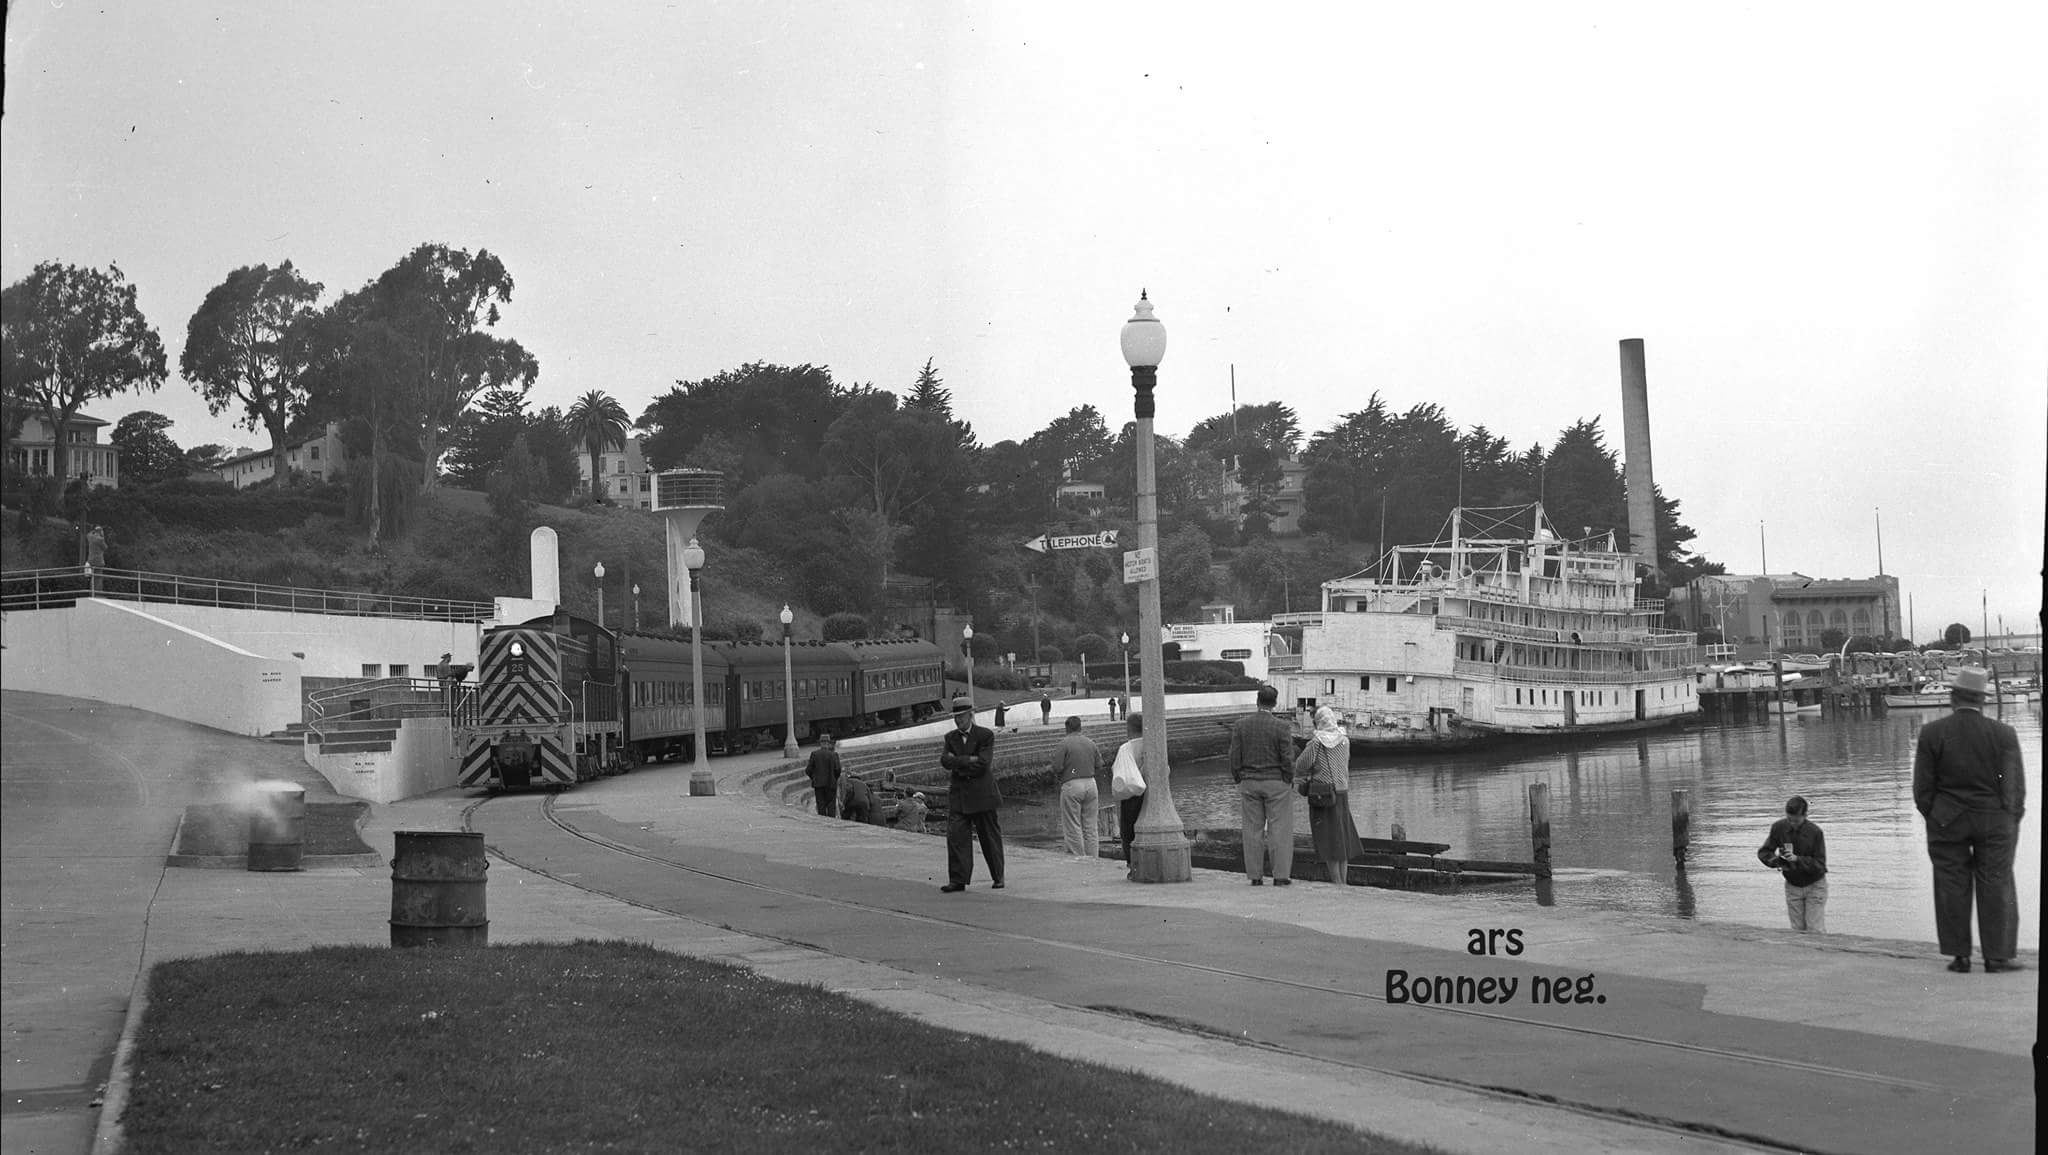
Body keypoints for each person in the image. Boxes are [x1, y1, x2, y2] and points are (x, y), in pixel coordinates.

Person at [1913, 667, 2027, 973]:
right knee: (1996, 883)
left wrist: (1936, 815)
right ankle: (1997, 957)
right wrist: (2010, 820)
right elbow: (2014, 789)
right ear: (1982, 700)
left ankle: (1959, 956)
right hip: (1994, 820)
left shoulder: (1932, 733)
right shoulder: (2004, 734)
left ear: (1953, 697)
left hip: (1947, 820)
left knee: (1950, 884)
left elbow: (1922, 789)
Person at [1229, 685, 1296, 886]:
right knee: (1279, 829)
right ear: (1274, 703)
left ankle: (1255, 876)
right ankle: (1281, 876)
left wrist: (1238, 777)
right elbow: (1287, 757)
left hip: (1250, 782)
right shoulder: (1282, 727)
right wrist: (1289, 777)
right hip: (1276, 783)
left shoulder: (1241, 725)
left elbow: (1234, 756)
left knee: (1252, 830)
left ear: (1257, 701)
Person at [939, 695, 1003, 891]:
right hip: (959, 795)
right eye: (956, 717)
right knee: (956, 838)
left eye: (961, 716)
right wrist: (969, 759)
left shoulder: (985, 735)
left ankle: (998, 877)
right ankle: (958, 880)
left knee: (989, 838)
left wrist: (958, 761)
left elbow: (983, 763)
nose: (958, 720)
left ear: (970, 715)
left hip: (982, 794)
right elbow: (945, 761)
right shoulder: (950, 738)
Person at [1293, 705, 1364, 884]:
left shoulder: (1317, 742)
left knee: (1329, 839)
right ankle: (1343, 881)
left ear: (1318, 722)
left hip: (1323, 795)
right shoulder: (1344, 740)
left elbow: (1301, 764)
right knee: (1341, 838)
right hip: (1342, 793)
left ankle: (1337, 883)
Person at [1756, 795, 1828, 932]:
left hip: (1815, 884)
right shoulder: (1778, 827)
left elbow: (1820, 864)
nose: (1793, 823)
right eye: (1789, 820)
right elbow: (1764, 852)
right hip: (1792, 885)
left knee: (1815, 929)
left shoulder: (1815, 832)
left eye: (1796, 820)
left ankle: (1817, 952)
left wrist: (1797, 859)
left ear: (1805, 815)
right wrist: (1777, 861)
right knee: (1797, 929)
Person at [1052, 715, 1102, 857]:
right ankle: (1093, 858)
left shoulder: (1064, 744)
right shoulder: (1090, 743)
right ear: (1080, 727)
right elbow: (1100, 764)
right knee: (1091, 826)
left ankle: (1079, 859)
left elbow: (1056, 767)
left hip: (1072, 784)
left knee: (1073, 825)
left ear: (1067, 728)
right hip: (1091, 784)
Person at [1112, 712, 1145, 873]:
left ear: (1129, 728)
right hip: (1152, 792)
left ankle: (1133, 865)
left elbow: (1120, 777)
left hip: (1132, 795)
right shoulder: (1150, 744)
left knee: (1128, 830)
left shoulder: (1126, 749)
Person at [804, 733, 842, 818]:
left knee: (821, 806)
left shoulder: (814, 754)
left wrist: (814, 778)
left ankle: (823, 824)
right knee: (831, 806)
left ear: (820, 743)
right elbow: (838, 770)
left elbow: (808, 770)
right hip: (831, 784)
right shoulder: (834, 755)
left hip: (818, 785)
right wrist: (834, 778)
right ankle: (832, 824)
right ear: (828, 743)